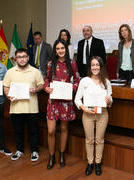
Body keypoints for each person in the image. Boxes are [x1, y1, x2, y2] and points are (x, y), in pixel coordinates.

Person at [44, 39, 80, 169]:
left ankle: (62, 155)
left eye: (62, 48)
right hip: (53, 101)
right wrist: (46, 87)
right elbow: (46, 80)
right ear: (55, 50)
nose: (60, 51)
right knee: (51, 131)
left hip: (66, 101)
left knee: (64, 129)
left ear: (66, 49)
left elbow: (77, 80)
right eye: (58, 48)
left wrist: (72, 88)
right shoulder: (50, 64)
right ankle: (51, 156)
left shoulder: (72, 63)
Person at [3, 48, 44, 162]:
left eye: (24, 56)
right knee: (18, 131)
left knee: (34, 131)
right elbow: (6, 87)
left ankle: (34, 151)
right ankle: (19, 150)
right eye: (19, 57)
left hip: (32, 108)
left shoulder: (35, 71)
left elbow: (41, 85)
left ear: (28, 58)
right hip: (16, 108)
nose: (22, 59)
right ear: (15, 59)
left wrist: (35, 89)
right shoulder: (10, 72)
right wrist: (8, 95)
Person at [74, 56, 112, 176]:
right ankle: (90, 163)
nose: (95, 67)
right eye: (93, 65)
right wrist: (83, 108)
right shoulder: (84, 80)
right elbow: (77, 99)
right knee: (89, 140)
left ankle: (98, 163)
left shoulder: (106, 82)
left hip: (102, 114)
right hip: (88, 114)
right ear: (90, 67)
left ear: (101, 67)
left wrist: (109, 101)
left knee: (99, 140)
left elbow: (110, 100)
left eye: (97, 65)